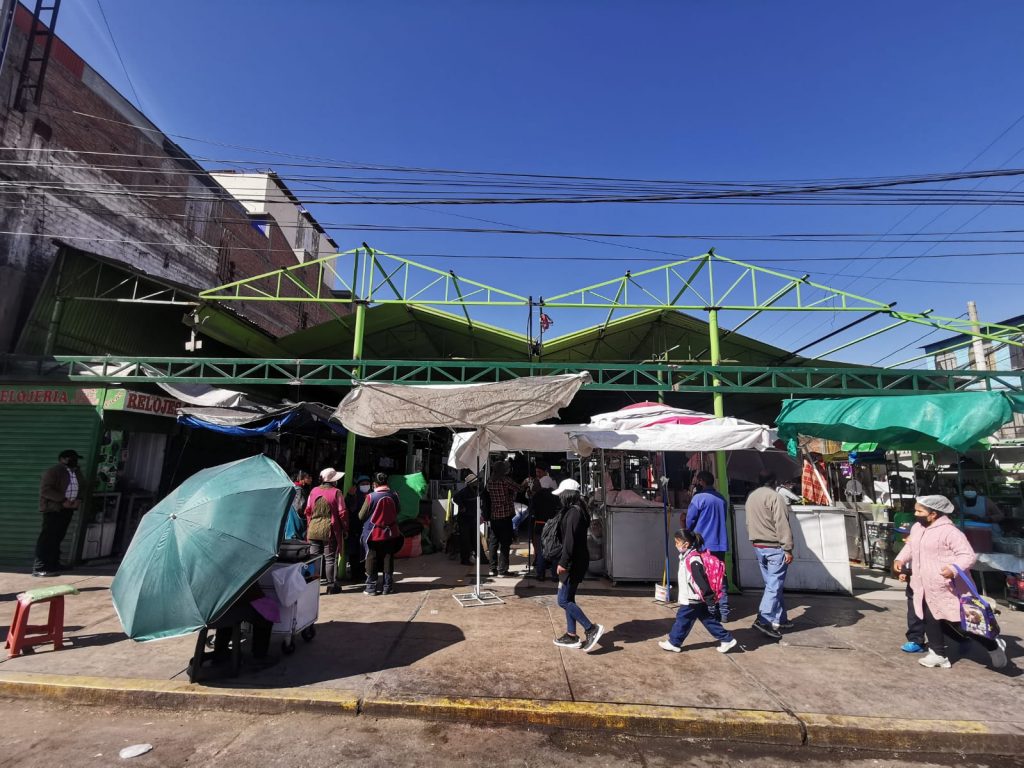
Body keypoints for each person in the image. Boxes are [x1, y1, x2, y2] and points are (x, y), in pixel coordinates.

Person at [894, 495, 1007, 669]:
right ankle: (938, 653)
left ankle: (993, 646)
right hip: (923, 584)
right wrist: (900, 560)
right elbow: (910, 547)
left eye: (919, 511)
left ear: (933, 514)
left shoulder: (950, 532)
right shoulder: (917, 527)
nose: (915, 514)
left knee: (961, 623)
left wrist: (953, 569)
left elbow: (967, 556)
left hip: (948, 587)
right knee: (929, 619)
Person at [658, 529, 737, 654]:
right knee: (707, 619)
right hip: (696, 597)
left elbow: (700, 579)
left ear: (686, 544)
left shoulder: (693, 559)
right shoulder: (688, 556)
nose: (676, 545)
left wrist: (708, 596)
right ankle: (726, 639)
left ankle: (674, 642)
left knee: (682, 618)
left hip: (692, 597)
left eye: (677, 542)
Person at [551, 479, 604, 651]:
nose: (559, 498)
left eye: (561, 494)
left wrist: (563, 562)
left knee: (563, 600)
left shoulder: (574, 513)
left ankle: (591, 628)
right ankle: (571, 635)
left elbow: (570, 541)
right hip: (578, 559)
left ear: (567, 495)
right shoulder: (578, 510)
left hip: (573, 562)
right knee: (569, 598)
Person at [744, 471, 794, 640]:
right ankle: (764, 619)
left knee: (772, 584)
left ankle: (781, 618)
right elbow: (782, 522)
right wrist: (787, 547)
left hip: (758, 545)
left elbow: (748, 521)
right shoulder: (775, 497)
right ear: (773, 482)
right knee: (774, 585)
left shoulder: (752, 496)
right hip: (774, 547)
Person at [684, 470, 730, 621]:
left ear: (701, 481)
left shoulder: (698, 498)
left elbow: (690, 520)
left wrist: (688, 532)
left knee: (703, 577)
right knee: (720, 576)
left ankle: (710, 610)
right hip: (719, 543)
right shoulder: (721, 498)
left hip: (703, 545)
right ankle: (724, 611)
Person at [33, 449, 83, 577]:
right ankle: (39, 568)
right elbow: (46, 490)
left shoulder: (76, 472)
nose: (74, 461)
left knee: (58, 537)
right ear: (63, 459)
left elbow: (81, 486)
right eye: (71, 458)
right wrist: (63, 500)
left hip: (68, 509)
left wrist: (78, 499)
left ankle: (54, 564)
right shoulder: (54, 471)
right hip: (54, 509)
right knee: (47, 538)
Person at [359, 472, 405, 595]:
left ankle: (371, 588)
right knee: (388, 559)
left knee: (371, 559)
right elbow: (398, 510)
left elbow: (361, 515)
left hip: (373, 533)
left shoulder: (370, 497)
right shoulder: (394, 495)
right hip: (391, 533)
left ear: (374, 483)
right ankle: (387, 587)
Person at [305, 468, 347, 595]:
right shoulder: (337, 492)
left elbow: (307, 510)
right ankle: (331, 586)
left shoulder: (313, 491)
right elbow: (342, 513)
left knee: (313, 559)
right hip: (329, 530)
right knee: (330, 559)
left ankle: (311, 587)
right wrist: (345, 528)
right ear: (334, 480)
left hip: (313, 529)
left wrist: (310, 525)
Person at [486, 461, 519, 576]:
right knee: (505, 543)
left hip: (494, 515)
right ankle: (502, 569)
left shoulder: (490, 481)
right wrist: (524, 483)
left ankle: (492, 568)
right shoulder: (505, 480)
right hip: (505, 515)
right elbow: (518, 488)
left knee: (493, 542)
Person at [530, 475, 560, 581]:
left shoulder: (536, 496)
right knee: (555, 549)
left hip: (539, 525)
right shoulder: (555, 496)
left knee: (541, 550)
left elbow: (531, 510)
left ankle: (540, 574)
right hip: (552, 525)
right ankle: (555, 575)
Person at [345, 474, 373, 582]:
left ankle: (362, 574)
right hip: (355, 529)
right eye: (362, 484)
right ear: (357, 485)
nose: (365, 486)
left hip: (367, 529)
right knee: (354, 553)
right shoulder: (353, 495)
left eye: (367, 484)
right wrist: (351, 496)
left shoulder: (372, 495)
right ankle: (355, 575)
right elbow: (349, 508)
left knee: (365, 553)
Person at [898, 561, 928, 654]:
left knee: (936, 614)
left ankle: (941, 639)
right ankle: (916, 640)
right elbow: (906, 558)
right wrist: (904, 572)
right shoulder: (910, 546)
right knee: (913, 613)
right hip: (914, 581)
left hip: (933, 579)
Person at [453, 473, 481, 566]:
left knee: (475, 538)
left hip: (472, 517)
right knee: (465, 539)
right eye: (475, 481)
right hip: (465, 519)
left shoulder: (475, 490)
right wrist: (462, 506)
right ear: (471, 483)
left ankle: (480, 557)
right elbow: (455, 498)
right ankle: (465, 559)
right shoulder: (464, 491)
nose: (477, 482)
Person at [285, 470, 312, 540]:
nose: (310, 479)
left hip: (290, 516)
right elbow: (299, 507)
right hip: (296, 518)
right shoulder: (299, 490)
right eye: (308, 477)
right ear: (302, 479)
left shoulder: (292, 487)